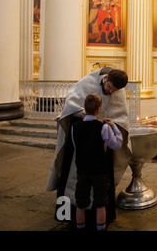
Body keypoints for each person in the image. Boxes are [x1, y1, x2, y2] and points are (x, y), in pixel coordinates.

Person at [47, 67, 131, 230]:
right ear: (106, 78)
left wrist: (114, 125)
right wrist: (82, 113)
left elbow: (122, 116)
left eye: (115, 90)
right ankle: (69, 216)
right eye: (109, 88)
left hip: (101, 148)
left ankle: (87, 222)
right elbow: (70, 106)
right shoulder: (86, 83)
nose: (111, 91)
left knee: (97, 191)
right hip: (84, 148)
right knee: (76, 182)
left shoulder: (117, 90)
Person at [73, 93, 123, 231]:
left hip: (82, 170)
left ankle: (80, 227)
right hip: (99, 170)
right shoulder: (103, 127)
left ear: (84, 108)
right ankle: (101, 228)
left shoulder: (75, 128)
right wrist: (114, 127)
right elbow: (116, 145)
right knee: (100, 203)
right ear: (99, 109)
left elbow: (77, 146)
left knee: (81, 203)